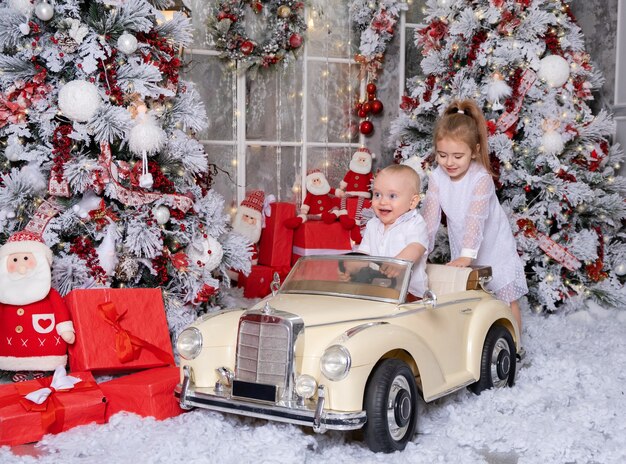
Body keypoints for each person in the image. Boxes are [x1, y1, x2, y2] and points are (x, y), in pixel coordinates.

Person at [421, 99, 528, 331]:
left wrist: (467, 256)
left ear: (474, 151)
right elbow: (429, 219)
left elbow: (475, 219)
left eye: (457, 156)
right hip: (464, 246)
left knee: (505, 300)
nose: (449, 162)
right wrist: (421, 252)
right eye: (442, 155)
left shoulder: (481, 179)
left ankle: (516, 346)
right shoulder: (437, 177)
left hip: (493, 247)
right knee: (470, 303)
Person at [340, 164, 429, 300]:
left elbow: (416, 247)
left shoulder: (415, 223)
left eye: (392, 196)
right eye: (377, 194)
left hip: (409, 294)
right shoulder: (372, 224)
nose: (382, 201)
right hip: (377, 289)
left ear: (412, 202)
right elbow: (365, 254)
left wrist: (397, 263)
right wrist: (351, 268)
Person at [0, 230, 76, 382]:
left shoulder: (49, 293)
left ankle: (39, 368)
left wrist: (65, 329)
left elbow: (60, 311)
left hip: (44, 341)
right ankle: (19, 368)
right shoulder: (4, 295)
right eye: (14, 260)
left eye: (26, 258)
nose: (21, 265)